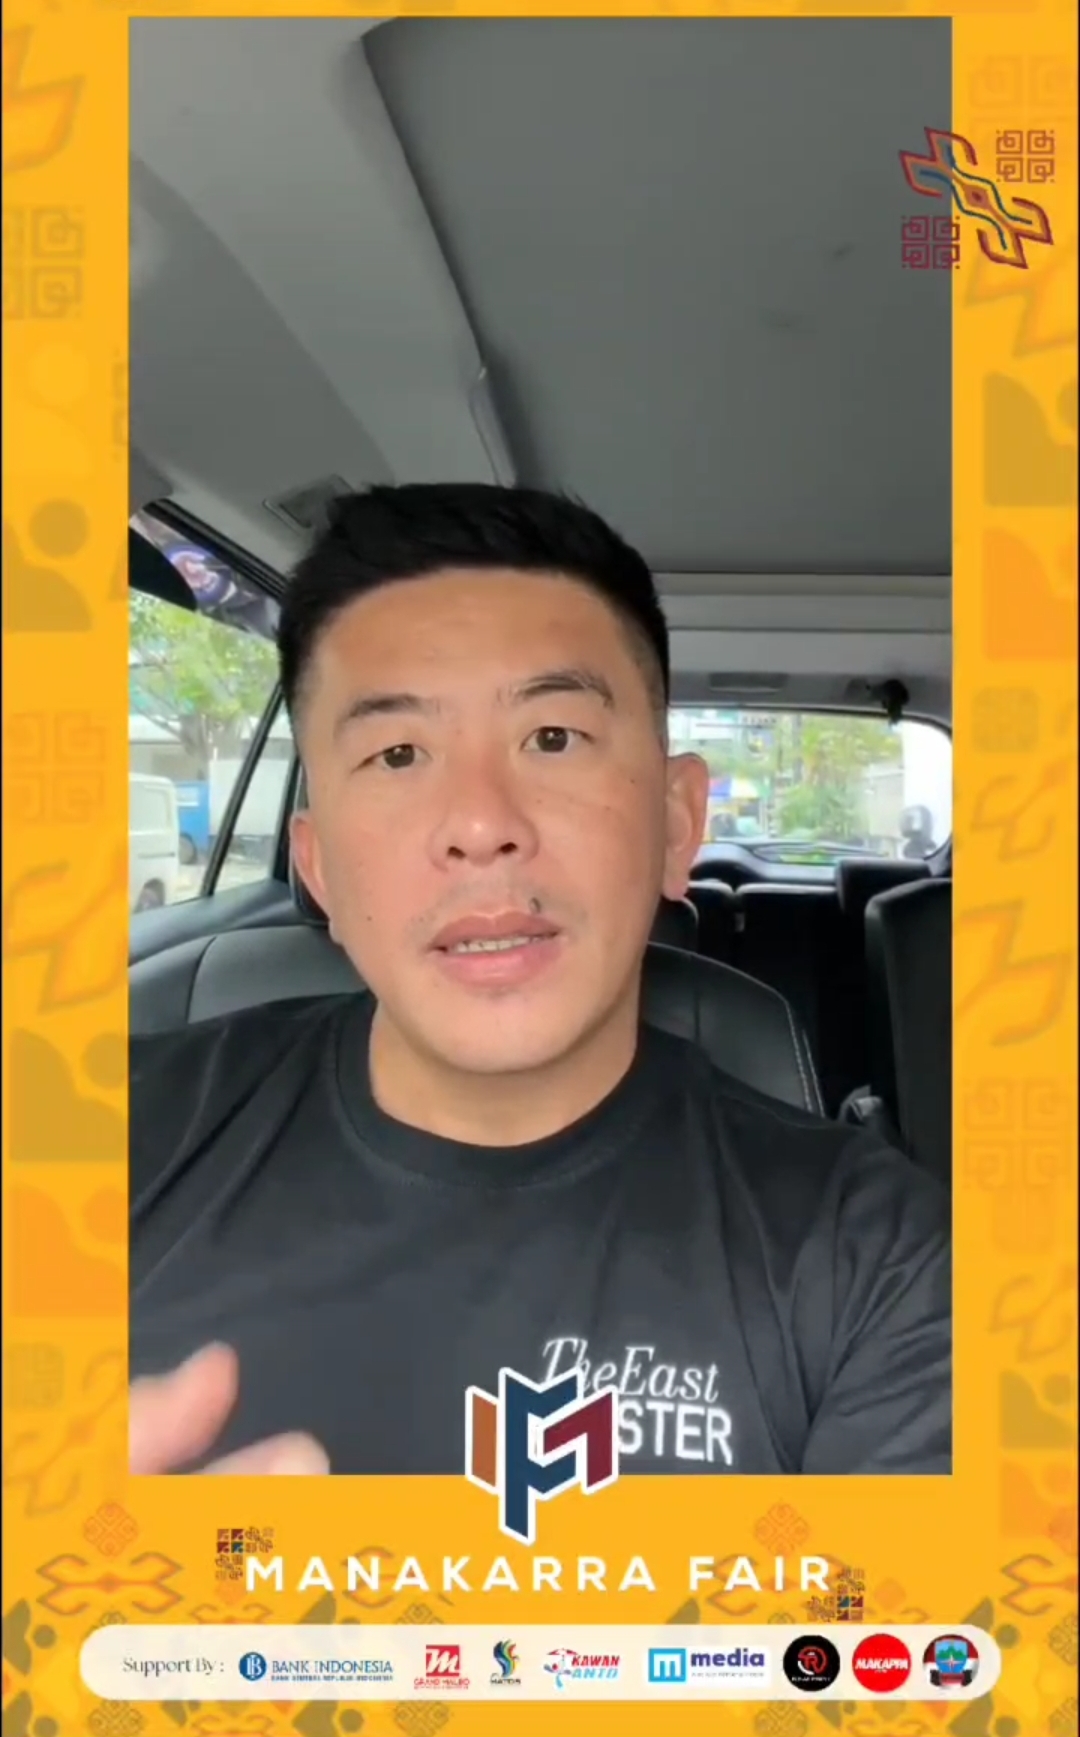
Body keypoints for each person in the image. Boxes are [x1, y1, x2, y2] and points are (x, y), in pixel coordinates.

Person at [129, 484, 951, 1478]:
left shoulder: (882, 1258)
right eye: (398, 752)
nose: (481, 823)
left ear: (677, 824)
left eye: (552, 737)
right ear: (318, 868)